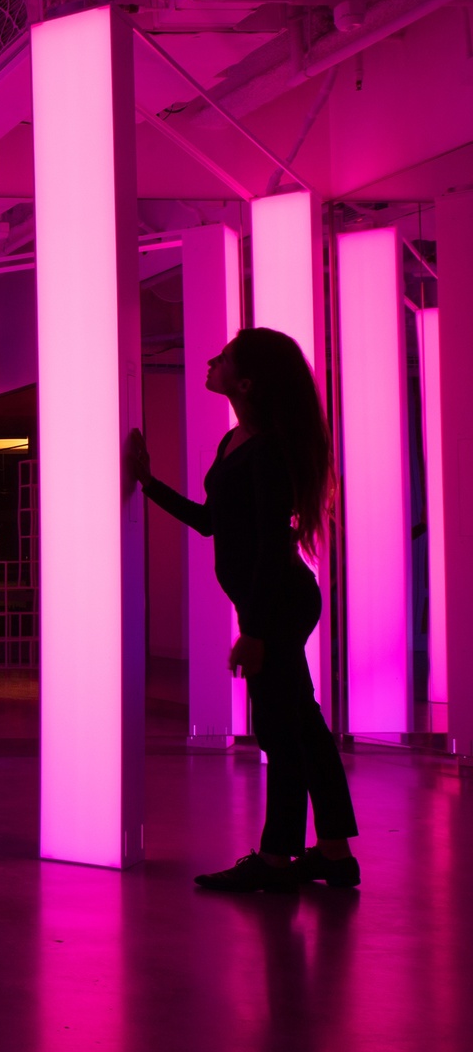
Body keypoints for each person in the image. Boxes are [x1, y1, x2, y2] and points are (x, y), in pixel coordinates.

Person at [126, 327, 359, 892]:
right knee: (303, 730)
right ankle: (332, 854)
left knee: (281, 736)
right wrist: (148, 483)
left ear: (246, 381)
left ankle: (277, 860)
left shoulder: (269, 450)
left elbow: (271, 550)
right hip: (270, 602)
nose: (211, 359)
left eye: (224, 357)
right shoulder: (237, 441)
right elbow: (214, 523)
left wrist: (252, 630)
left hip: (276, 603)